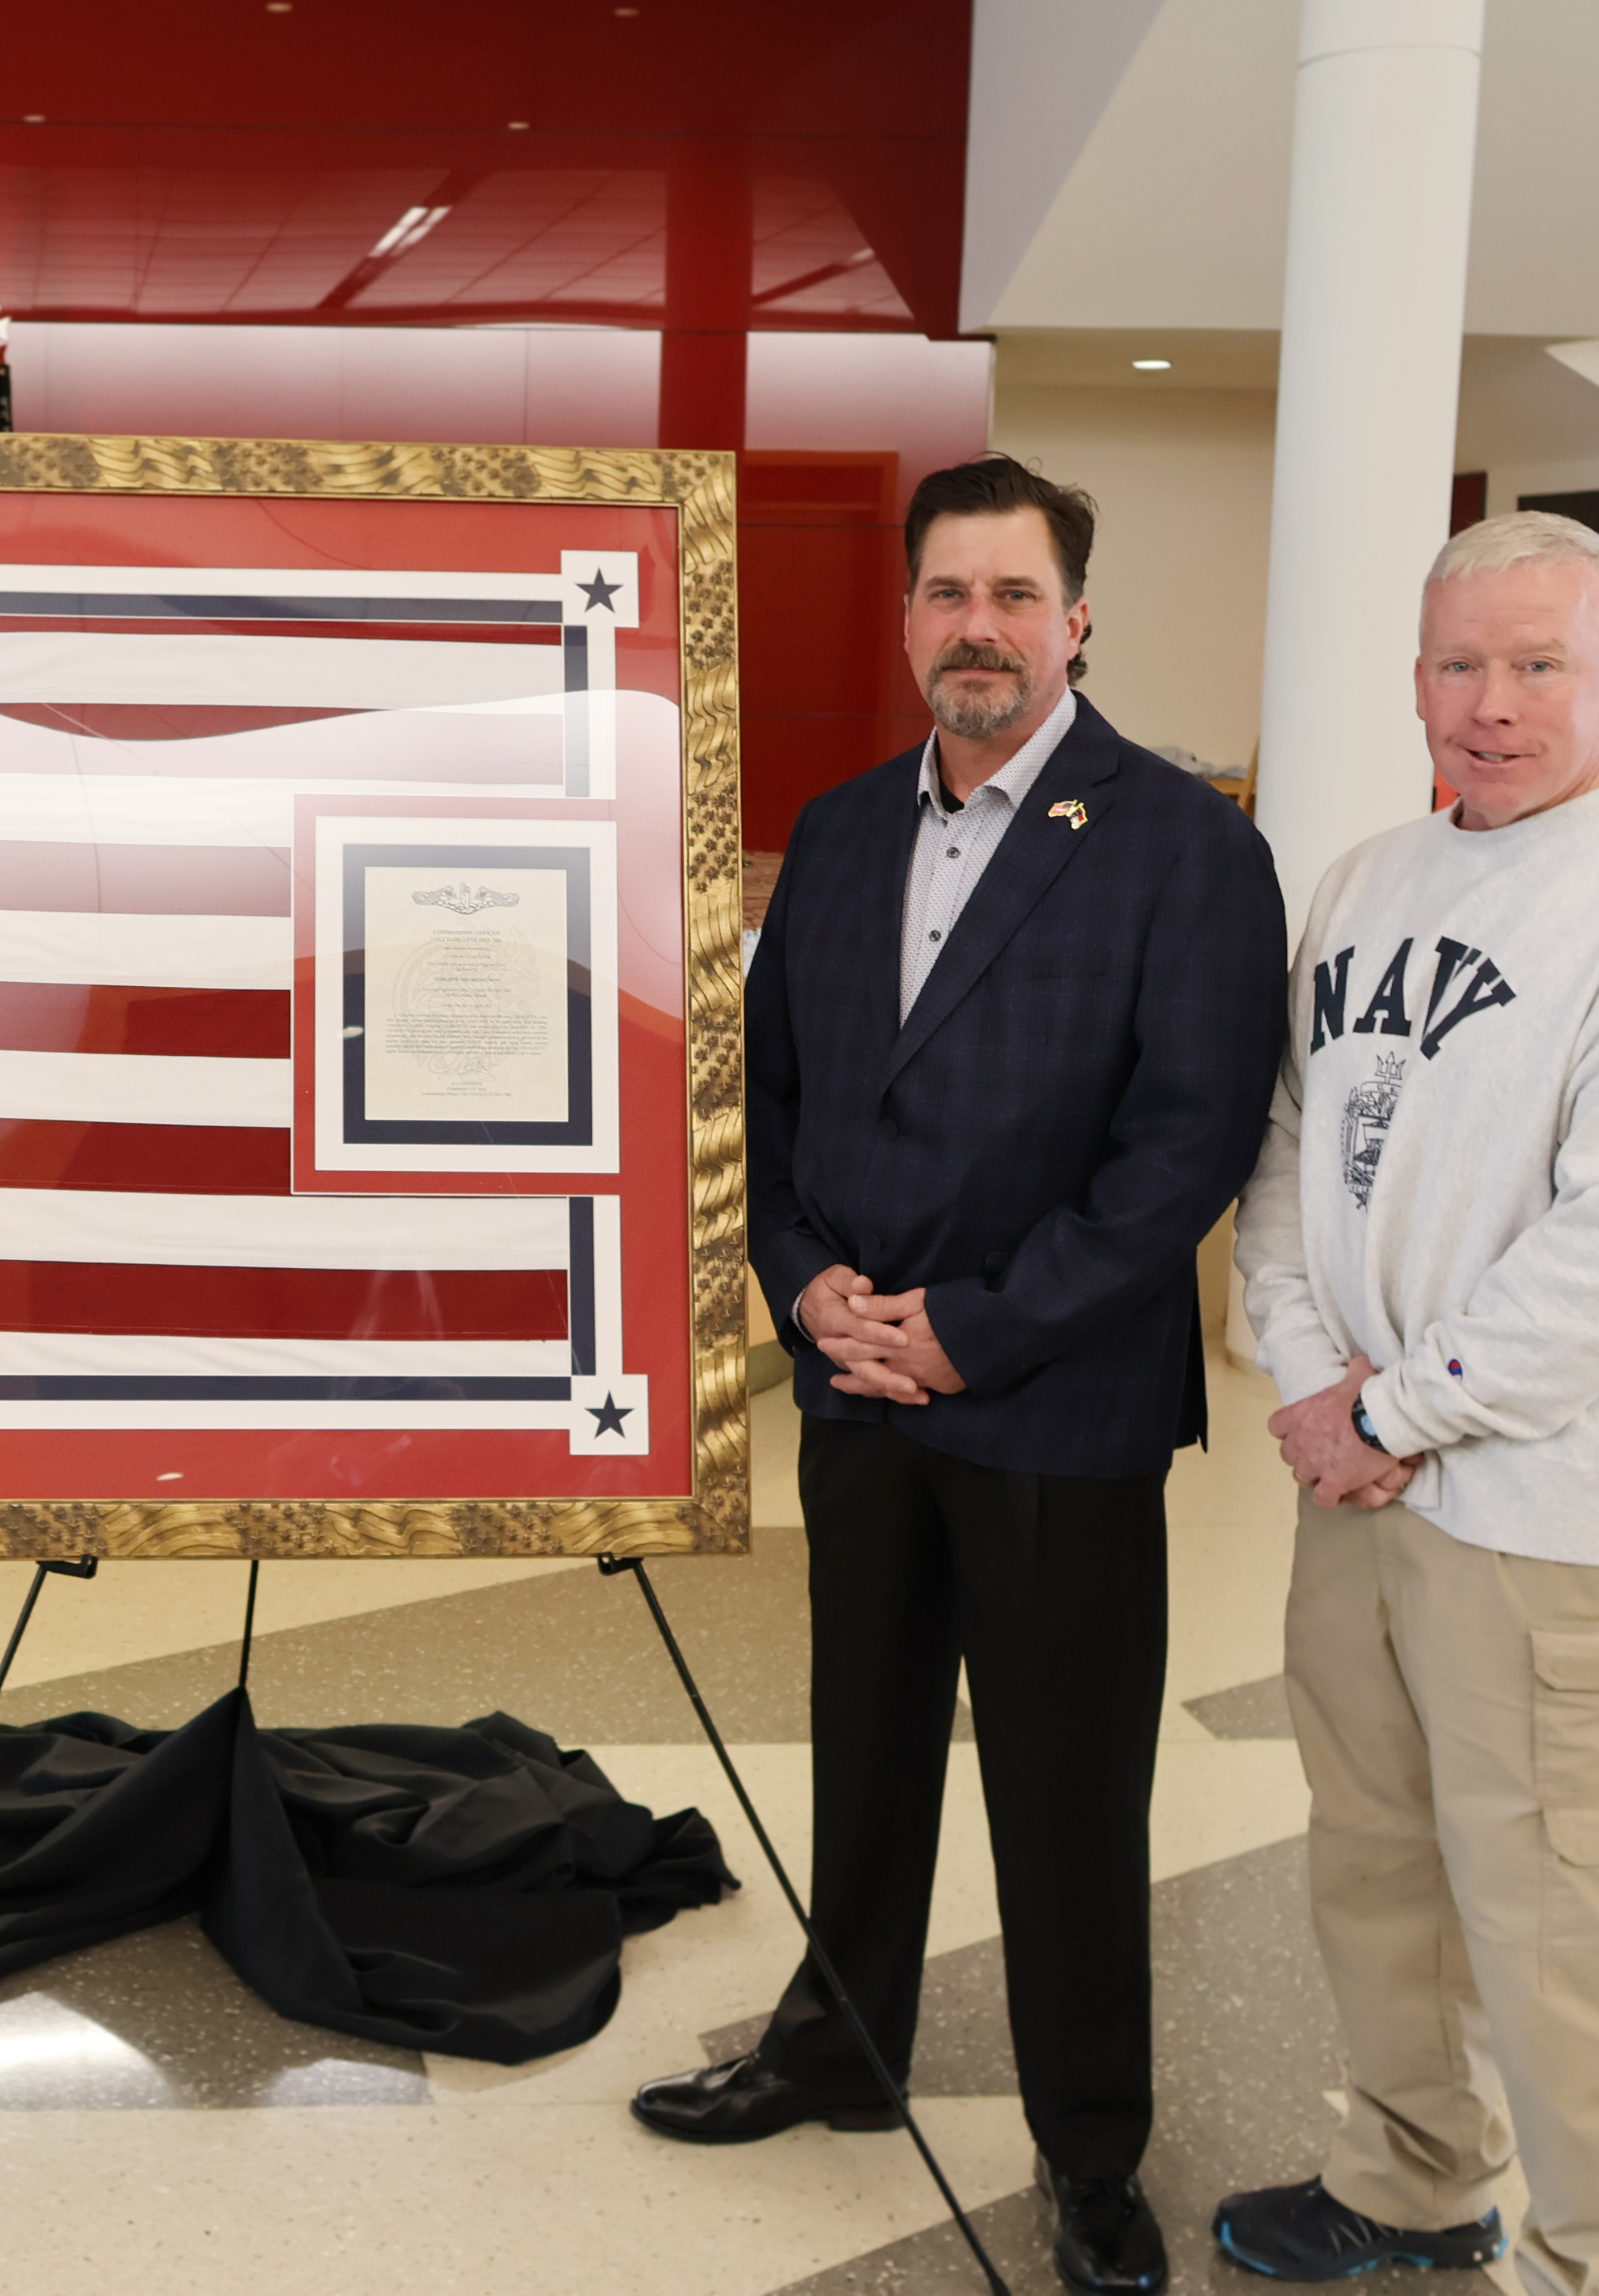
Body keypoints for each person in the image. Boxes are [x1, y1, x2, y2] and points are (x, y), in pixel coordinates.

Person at [636, 454, 1287, 2296]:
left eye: (1015, 596)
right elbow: (762, 1104)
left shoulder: (1184, 844)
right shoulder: (837, 836)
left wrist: (975, 1324)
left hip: (1052, 1406)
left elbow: (1188, 1149)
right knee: (866, 1748)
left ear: (1078, 621)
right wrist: (806, 1285)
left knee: (1069, 1798)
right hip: (853, 1392)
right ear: (907, 616)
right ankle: (840, 2046)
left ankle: (1090, 2154)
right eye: (948, 595)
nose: (978, 629)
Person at [1217, 512, 1599, 2293]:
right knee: (1383, 1875)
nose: (1492, 705)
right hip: (1372, 1505)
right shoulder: (1371, 881)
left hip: (1567, 1532)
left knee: (1590, 1942)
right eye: (1459, 666)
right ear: (1416, 678)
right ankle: (1414, 2188)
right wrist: (1318, 1383)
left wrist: (1393, 1415)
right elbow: (1287, 1156)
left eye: (1539, 665)